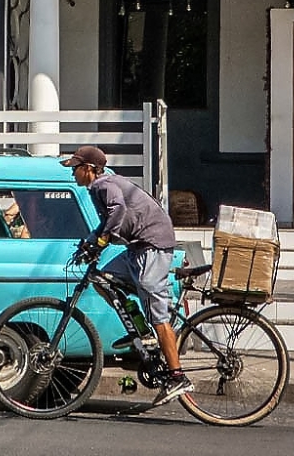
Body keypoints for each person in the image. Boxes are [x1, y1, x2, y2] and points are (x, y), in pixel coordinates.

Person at [62, 145, 194, 407]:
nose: (73, 173)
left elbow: (117, 210)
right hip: (137, 248)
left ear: (88, 169)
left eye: (75, 168)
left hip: (153, 245)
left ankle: (178, 376)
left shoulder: (103, 185)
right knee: (105, 278)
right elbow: (107, 222)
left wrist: (100, 242)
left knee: (155, 306)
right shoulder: (99, 187)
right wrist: (89, 243)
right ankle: (142, 333)